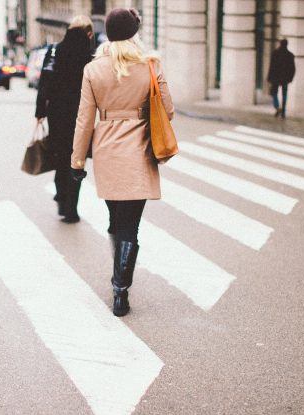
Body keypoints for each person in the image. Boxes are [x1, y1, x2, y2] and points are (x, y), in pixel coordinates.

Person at [70, 7, 173, 317]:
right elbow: (167, 109)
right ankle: (120, 289)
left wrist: (77, 162)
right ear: (133, 33)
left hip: (107, 153)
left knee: (116, 222)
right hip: (140, 152)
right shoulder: (150, 66)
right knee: (131, 226)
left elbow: (84, 119)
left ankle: (119, 283)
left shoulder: (93, 69)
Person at [35, 15, 94, 223]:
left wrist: (40, 111)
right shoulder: (89, 57)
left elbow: (45, 82)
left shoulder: (53, 51)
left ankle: (61, 198)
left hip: (57, 114)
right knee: (77, 161)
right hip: (81, 116)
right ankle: (72, 209)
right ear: (88, 33)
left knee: (61, 157)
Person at [266, 39, 295, 118]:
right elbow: (293, 68)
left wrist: (269, 77)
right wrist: (290, 78)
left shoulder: (275, 53)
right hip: (285, 78)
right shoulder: (290, 55)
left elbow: (271, 66)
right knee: (284, 94)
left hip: (276, 77)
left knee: (274, 93)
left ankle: (277, 107)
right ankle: (283, 111)